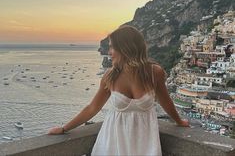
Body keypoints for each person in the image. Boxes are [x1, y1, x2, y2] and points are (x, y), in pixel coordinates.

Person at [48, 25, 189, 155]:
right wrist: (64, 128)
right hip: (112, 141)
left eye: (112, 48)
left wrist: (179, 121)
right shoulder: (110, 76)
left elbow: (166, 101)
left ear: (125, 48)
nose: (109, 53)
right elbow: (92, 108)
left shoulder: (154, 73)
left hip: (145, 142)